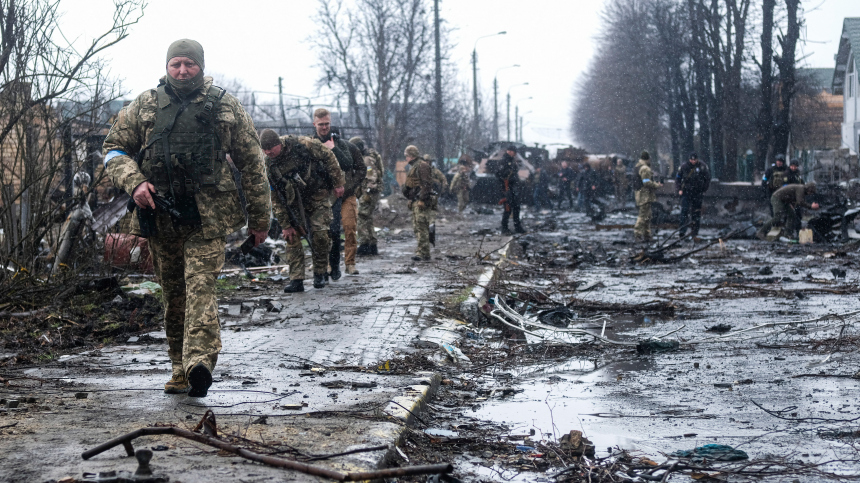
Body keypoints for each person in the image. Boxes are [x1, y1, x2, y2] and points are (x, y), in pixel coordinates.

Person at [103, 39, 272, 397]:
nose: (182, 71)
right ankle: (179, 369)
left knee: (200, 285)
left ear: (201, 66)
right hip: (160, 216)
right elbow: (113, 149)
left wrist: (261, 219)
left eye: (189, 64)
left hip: (207, 217)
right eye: (176, 64)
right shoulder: (145, 105)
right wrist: (134, 183)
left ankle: (199, 362)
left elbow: (253, 164)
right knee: (174, 294)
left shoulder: (225, 106)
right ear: (167, 66)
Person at [260, 130, 345, 292]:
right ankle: (296, 279)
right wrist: (285, 225)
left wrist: (338, 182)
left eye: (271, 148)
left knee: (321, 235)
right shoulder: (268, 165)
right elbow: (274, 198)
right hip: (292, 203)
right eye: (265, 150)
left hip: (316, 195)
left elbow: (329, 157)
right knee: (292, 238)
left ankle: (320, 272)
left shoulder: (303, 145)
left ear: (279, 144)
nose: (268, 152)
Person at [311, 108, 365, 277]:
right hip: (324, 196)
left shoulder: (345, 145)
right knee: (328, 232)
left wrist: (352, 186)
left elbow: (359, 168)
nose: (324, 127)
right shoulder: (309, 145)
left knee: (349, 229)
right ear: (315, 124)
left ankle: (350, 263)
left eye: (327, 124)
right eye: (321, 124)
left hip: (347, 195)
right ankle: (329, 264)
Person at [352, 137, 384, 257]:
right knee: (368, 217)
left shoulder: (366, 159)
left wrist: (368, 192)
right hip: (370, 191)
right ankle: (371, 244)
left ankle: (365, 243)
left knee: (361, 216)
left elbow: (371, 176)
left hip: (369, 192)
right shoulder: (369, 156)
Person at [402, 145, 435, 261]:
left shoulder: (422, 166)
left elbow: (426, 184)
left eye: (406, 156)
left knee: (422, 227)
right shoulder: (415, 166)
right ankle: (422, 251)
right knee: (418, 227)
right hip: (416, 200)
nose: (405, 158)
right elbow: (413, 185)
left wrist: (422, 199)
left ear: (411, 156)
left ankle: (423, 252)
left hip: (421, 201)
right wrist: (411, 199)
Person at [676, 152, 711, 239]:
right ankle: (682, 231)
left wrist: (703, 190)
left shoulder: (702, 166)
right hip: (686, 191)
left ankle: (694, 231)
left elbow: (707, 178)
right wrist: (679, 189)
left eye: (694, 160)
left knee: (696, 212)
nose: (693, 161)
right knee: (684, 211)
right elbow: (678, 178)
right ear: (689, 159)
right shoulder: (684, 167)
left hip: (698, 192)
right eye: (691, 160)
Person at [633, 151, 662, 242]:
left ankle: (647, 235)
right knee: (643, 215)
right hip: (644, 195)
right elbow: (646, 182)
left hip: (641, 194)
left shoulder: (638, 166)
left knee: (647, 216)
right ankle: (638, 234)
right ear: (648, 158)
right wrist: (656, 185)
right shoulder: (645, 168)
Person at [497, 145, 525, 234]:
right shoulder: (503, 161)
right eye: (514, 152)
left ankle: (517, 227)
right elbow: (500, 175)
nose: (515, 154)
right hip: (506, 187)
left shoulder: (512, 161)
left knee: (516, 208)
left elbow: (514, 173)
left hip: (514, 187)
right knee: (507, 209)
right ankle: (504, 227)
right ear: (509, 151)